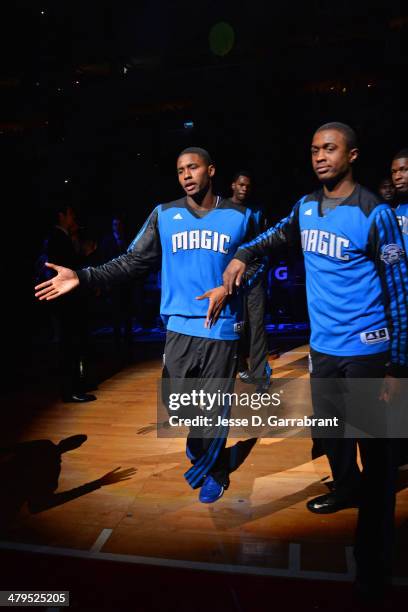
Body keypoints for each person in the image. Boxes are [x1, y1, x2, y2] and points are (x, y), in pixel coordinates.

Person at [219, 122, 408, 593]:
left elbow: (400, 292)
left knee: (379, 465)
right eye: (314, 149)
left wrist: (397, 367)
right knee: (329, 433)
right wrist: (242, 254)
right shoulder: (305, 207)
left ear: (352, 155)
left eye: (330, 148)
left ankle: (374, 568)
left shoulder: (374, 211)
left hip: (367, 351)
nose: (320, 156)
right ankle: (345, 488)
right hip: (323, 350)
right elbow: (274, 236)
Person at [35, 147, 260, 504]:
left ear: (212, 170)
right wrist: (82, 276)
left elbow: (258, 264)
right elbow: (132, 261)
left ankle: (214, 470)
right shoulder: (164, 214)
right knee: (179, 403)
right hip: (178, 327)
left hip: (220, 326)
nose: (186, 175)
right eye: (180, 170)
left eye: (193, 167)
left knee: (215, 405)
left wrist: (229, 286)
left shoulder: (242, 216)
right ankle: (198, 441)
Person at [44, 204, 96, 403]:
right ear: (61, 216)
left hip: (70, 302)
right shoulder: (57, 239)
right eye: (70, 214)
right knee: (69, 346)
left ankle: (78, 385)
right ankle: (71, 390)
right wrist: (85, 254)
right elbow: (68, 269)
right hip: (66, 303)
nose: (74, 217)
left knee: (75, 344)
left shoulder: (62, 238)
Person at [230, 171, 271, 391]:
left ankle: (261, 376)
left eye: (248, 186)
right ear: (233, 186)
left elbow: (263, 246)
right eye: (241, 185)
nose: (244, 188)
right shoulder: (222, 209)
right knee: (234, 327)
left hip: (252, 279)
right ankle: (240, 367)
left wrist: (253, 275)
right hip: (229, 280)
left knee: (257, 327)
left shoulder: (255, 212)